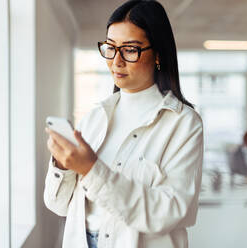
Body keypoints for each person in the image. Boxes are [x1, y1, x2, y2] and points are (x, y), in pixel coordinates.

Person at [44, 1, 203, 247]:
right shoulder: (95, 117)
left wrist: (90, 169)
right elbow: (57, 205)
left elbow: (168, 211)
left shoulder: (184, 124)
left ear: (158, 53)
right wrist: (62, 165)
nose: (116, 61)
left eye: (130, 49)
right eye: (110, 47)